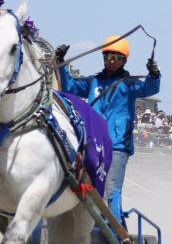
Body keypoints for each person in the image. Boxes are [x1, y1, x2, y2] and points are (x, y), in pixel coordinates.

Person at [56, 35, 161, 201]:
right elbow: (70, 87)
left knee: (110, 191)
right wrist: (61, 63)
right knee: (80, 187)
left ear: (124, 60)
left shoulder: (130, 84)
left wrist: (154, 74)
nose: (111, 61)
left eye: (116, 57)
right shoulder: (94, 81)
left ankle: (113, 218)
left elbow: (149, 88)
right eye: (108, 56)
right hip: (92, 143)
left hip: (117, 146)